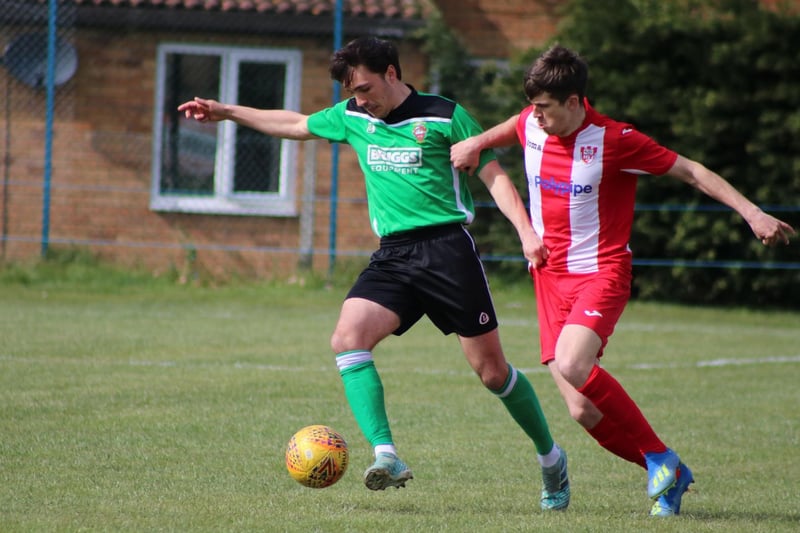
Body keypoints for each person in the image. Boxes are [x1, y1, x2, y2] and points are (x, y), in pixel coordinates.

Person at [178, 36, 571, 510]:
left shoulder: (444, 115)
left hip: (447, 250)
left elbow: (493, 175)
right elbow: (297, 124)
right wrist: (227, 111)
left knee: (491, 373)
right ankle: (387, 455)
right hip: (394, 254)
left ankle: (551, 459)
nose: (359, 99)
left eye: (365, 88)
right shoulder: (353, 116)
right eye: (353, 91)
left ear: (391, 73)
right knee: (347, 338)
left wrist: (527, 234)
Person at [450, 44, 796, 517]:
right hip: (549, 278)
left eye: (546, 108)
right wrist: (476, 143)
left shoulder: (616, 139)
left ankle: (660, 457)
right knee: (581, 410)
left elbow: (691, 172)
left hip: (601, 272)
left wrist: (752, 213)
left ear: (575, 102)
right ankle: (670, 475)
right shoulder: (533, 122)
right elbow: (511, 127)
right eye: (533, 107)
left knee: (573, 364)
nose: (537, 117)